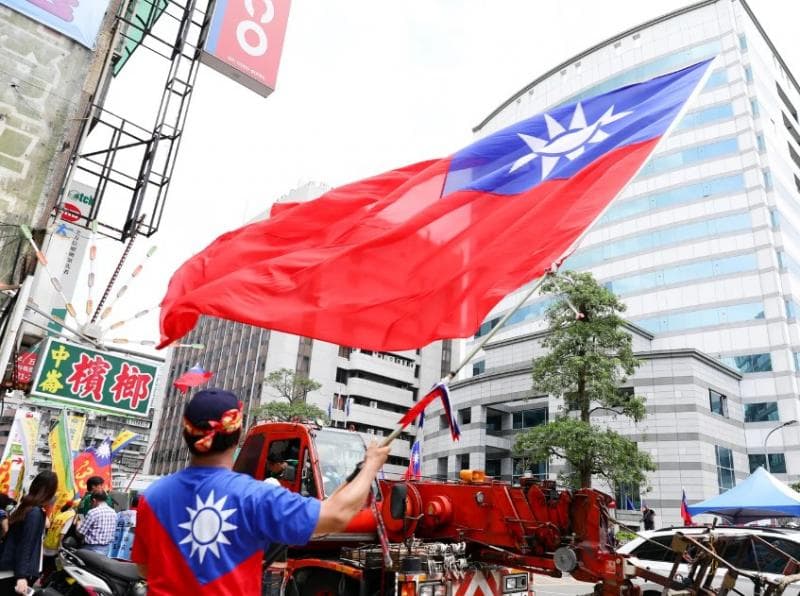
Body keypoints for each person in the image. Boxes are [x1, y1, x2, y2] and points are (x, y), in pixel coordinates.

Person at [132, 388, 390, 595]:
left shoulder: (153, 497)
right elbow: (336, 515)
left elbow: (144, 568)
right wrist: (370, 467)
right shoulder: (255, 496)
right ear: (238, 434)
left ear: (186, 433)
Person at [0, 470, 58, 595]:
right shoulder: (35, 513)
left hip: (10, 567)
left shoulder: (25, 507)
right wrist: (21, 576)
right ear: (50, 492)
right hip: (16, 572)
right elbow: (26, 544)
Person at [42, 501, 78, 580]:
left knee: (45, 564)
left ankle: (38, 579)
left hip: (48, 543)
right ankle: (44, 581)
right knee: (52, 566)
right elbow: (63, 532)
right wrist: (60, 545)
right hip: (56, 545)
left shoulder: (60, 515)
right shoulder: (71, 515)